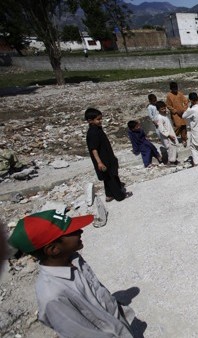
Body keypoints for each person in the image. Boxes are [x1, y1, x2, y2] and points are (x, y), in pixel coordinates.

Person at [7, 209, 135, 337]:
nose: (80, 231)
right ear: (54, 249)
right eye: (72, 231)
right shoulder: (53, 297)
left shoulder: (73, 258)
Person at [85, 108, 132, 202]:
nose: (100, 121)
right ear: (90, 121)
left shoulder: (97, 129)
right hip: (103, 160)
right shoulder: (93, 133)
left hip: (106, 157)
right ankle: (120, 196)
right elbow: (94, 149)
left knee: (107, 177)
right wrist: (99, 162)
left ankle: (109, 195)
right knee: (111, 177)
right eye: (98, 119)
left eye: (100, 119)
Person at [155, 101, 179, 166]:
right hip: (167, 136)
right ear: (158, 110)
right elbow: (161, 129)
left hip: (171, 133)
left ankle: (174, 160)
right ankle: (171, 162)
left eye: (164, 108)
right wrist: (168, 135)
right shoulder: (159, 118)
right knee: (171, 148)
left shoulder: (164, 115)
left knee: (174, 147)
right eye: (162, 109)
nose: (164, 110)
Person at [166, 81, 189, 147]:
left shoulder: (180, 94)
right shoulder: (169, 96)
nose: (175, 89)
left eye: (176, 88)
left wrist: (184, 109)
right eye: (174, 88)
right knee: (178, 126)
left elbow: (185, 102)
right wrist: (175, 111)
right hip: (175, 114)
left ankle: (184, 139)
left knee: (184, 126)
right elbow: (168, 105)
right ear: (171, 89)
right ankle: (173, 137)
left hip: (182, 112)